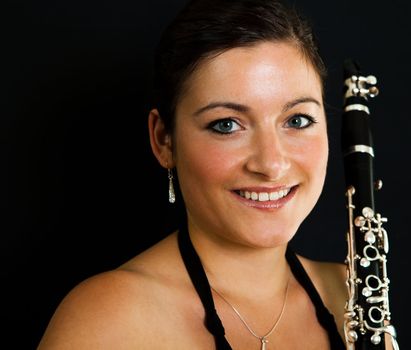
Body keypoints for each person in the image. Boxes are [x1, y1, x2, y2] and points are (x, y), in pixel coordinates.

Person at [38, 0, 385, 348]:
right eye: (227, 125)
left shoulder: (348, 291)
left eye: (297, 120)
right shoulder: (108, 318)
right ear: (164, 140)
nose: (271, 164)